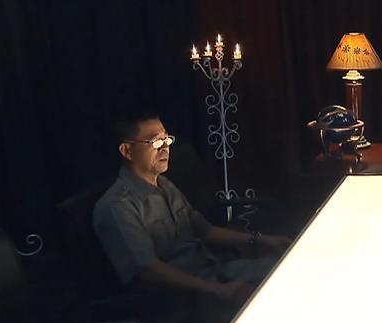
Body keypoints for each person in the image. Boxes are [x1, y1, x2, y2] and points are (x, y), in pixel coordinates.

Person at [93, 111, 292, 308]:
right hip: (183, 297)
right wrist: (217, 290)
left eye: (166, 139)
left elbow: (204, 230)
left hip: (213, 268)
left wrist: (262, 239)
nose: (165, 148)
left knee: (287, 267)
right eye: (155, 142)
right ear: (127, 151)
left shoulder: (164, 185)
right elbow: (148, 270)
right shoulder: (117, 206)